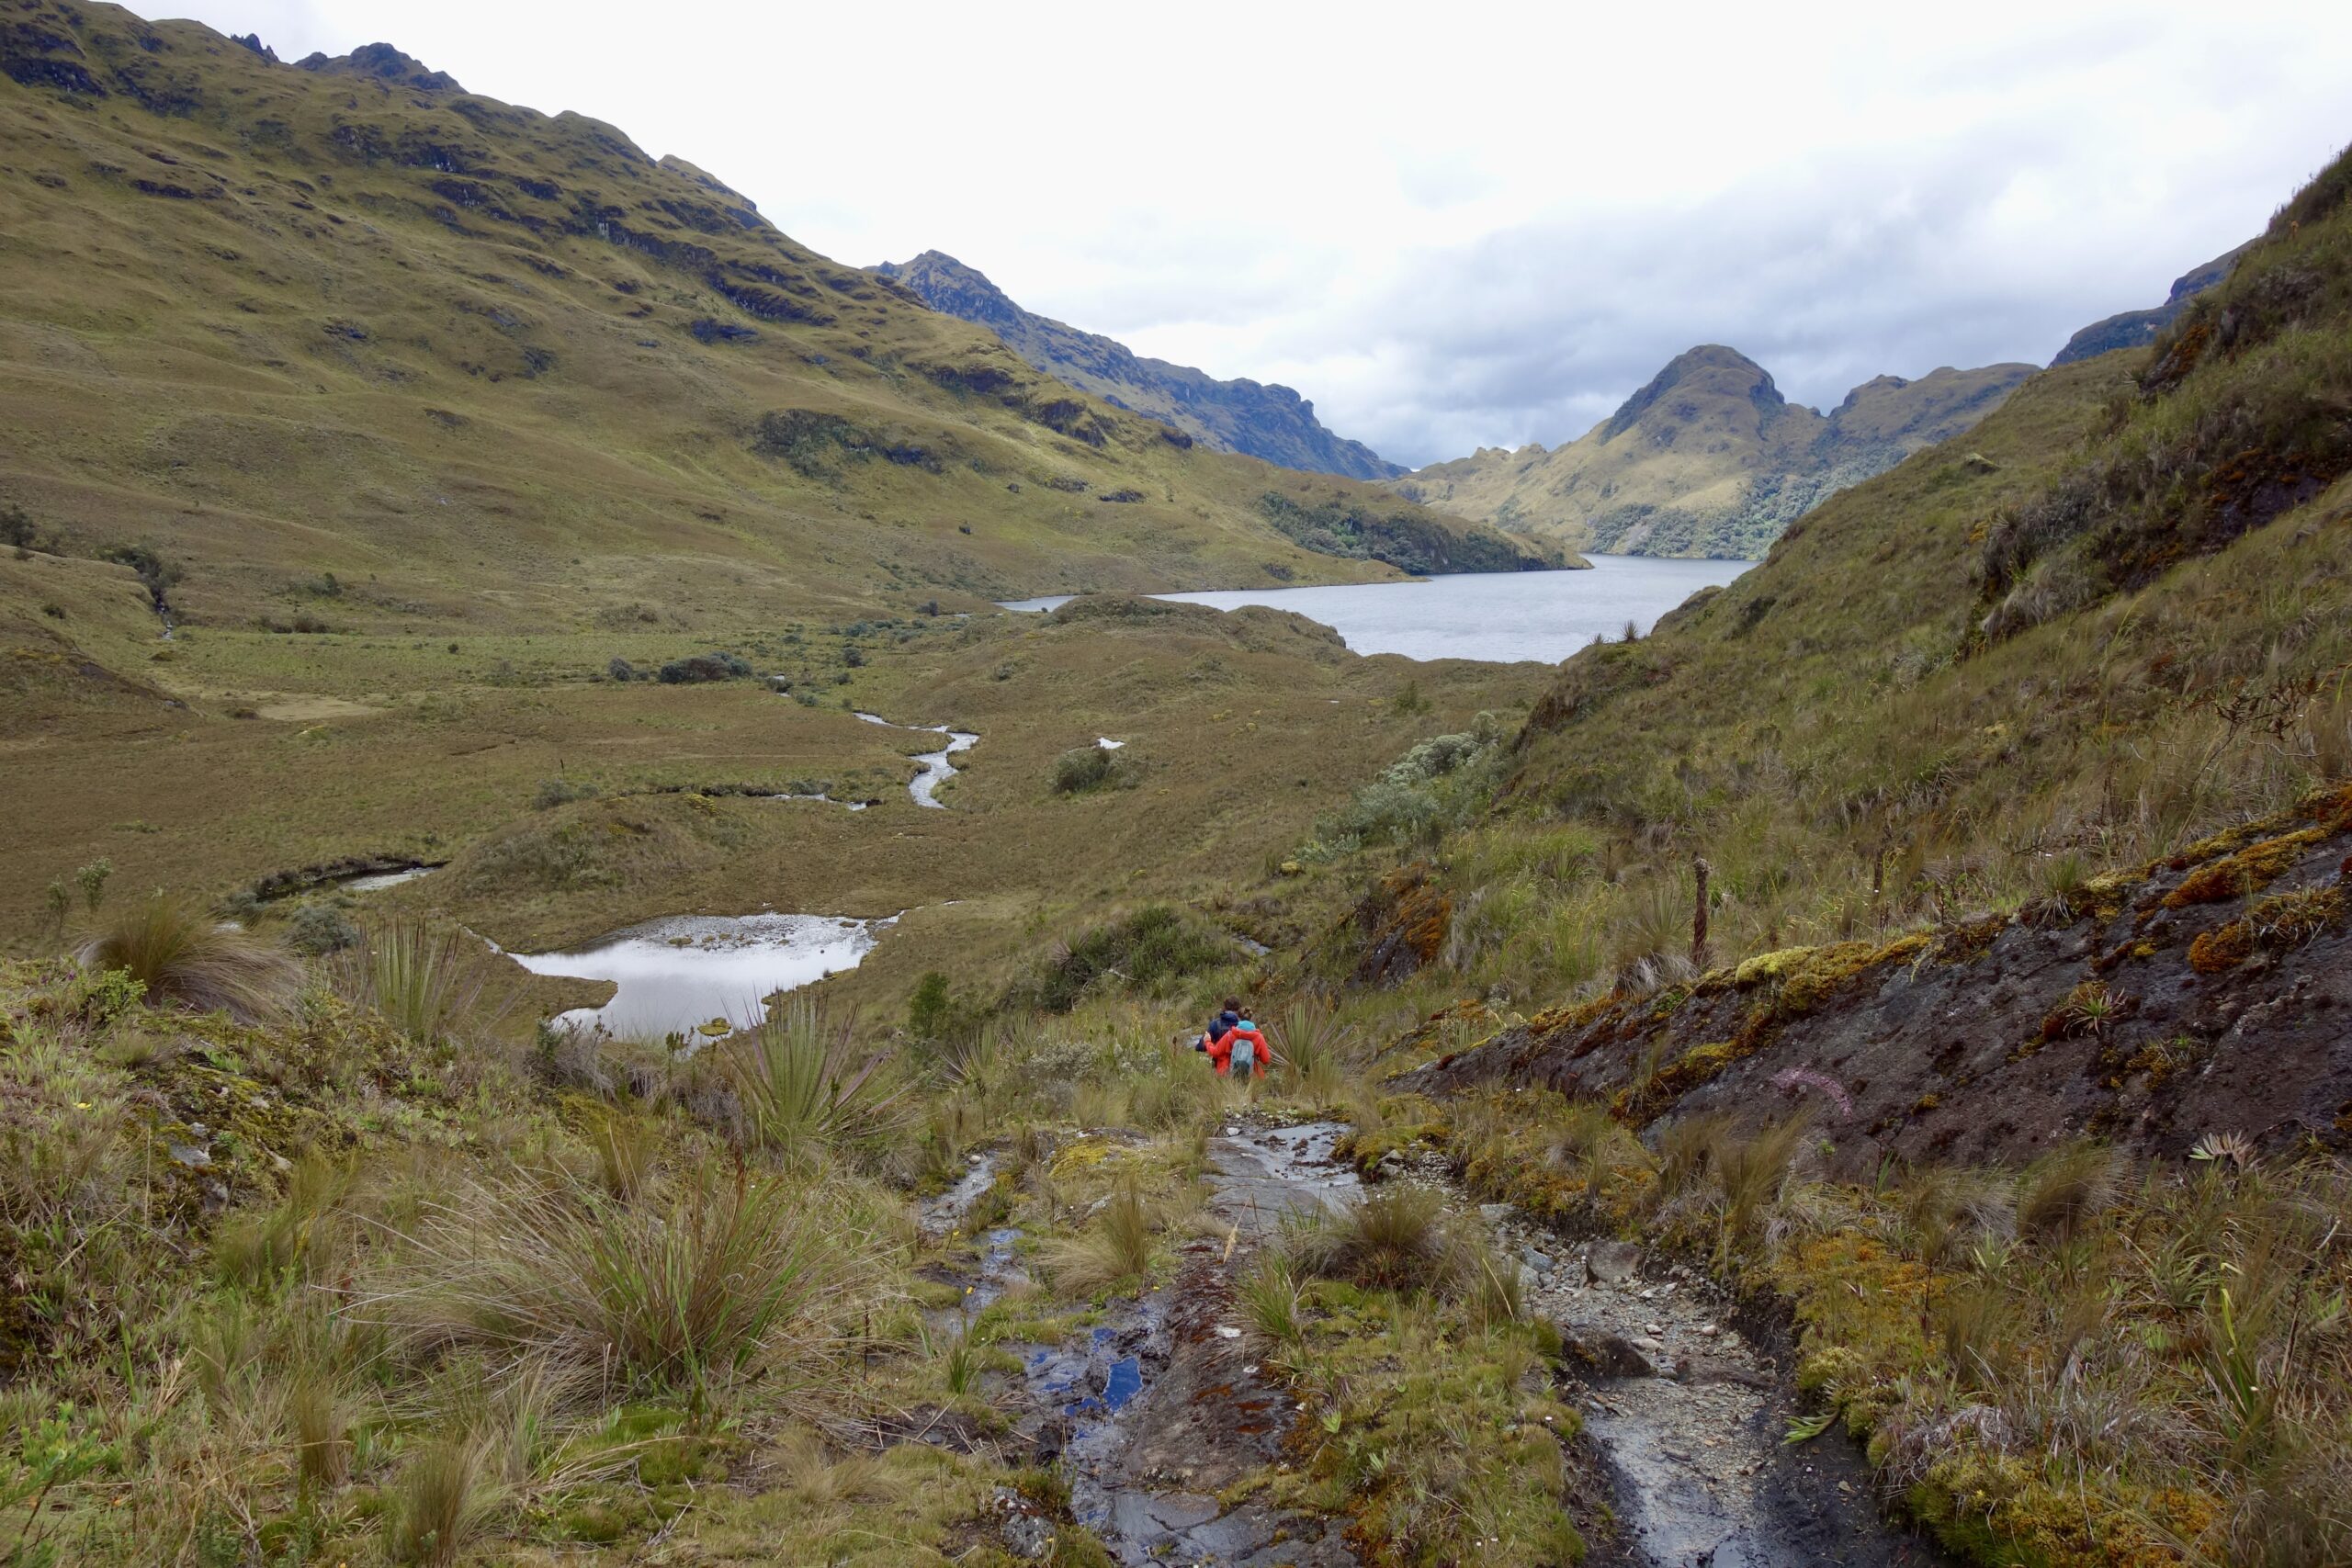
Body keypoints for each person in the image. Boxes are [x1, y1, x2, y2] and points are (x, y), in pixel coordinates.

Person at [1197, 998, 1243, 1076]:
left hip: (1221, 1069)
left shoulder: (1215, 1024)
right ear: (1239, 1009)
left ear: (1224, 1008)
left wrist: (1209, 1042)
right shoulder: (1244, 1025)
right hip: (1243, 1068)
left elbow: (1200, 1047)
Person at [1224, 1009, 1270, 1080]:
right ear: (1251, 1019)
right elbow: (1266, 1060)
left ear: (1239, 1018)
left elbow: (1217, 1052)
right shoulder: (1259, 1037)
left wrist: (1208, 1042)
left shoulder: (1230, 1034)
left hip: (1232, 1073)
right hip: (1252, 1075)